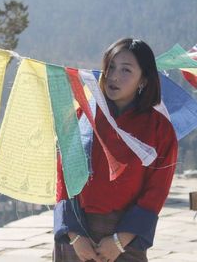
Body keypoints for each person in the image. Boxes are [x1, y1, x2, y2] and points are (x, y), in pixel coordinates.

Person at [53, 38, 178, 262]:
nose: (114, 76)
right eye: (110, 67)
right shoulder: (84, 115)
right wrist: (74, 236)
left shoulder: (159, 129)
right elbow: (63, 176)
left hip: (124, 238)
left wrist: (119, 241)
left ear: (144, 79)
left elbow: (156, 191)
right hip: (77, 233)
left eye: (126, 70)